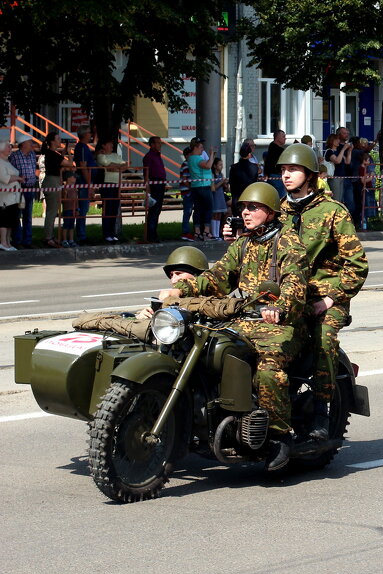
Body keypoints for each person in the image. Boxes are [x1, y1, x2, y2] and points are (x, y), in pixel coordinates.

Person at [170, 182, 308, 470]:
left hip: (281, 324)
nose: (245, 212)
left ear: (270, 212)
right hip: (243, 319)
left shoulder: (288, 242)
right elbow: (218, 276)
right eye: (243, 207)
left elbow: (295, 283)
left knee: (269, 370)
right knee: (203, 347)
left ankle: (279, 436)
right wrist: (182, 288)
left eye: (253, 207)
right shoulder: (244, 243)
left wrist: (280, 308)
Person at [275, 144, 369, 443]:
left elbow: (356, 265)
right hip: (286, 295)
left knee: (323, 339)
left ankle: (320, 408)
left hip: (326, 296)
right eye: (283, 170)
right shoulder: (280, 211)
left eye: (293, 170)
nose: (286, 175)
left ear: (310, 175)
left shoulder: (333, 212)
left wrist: (330, 299)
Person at [73, 247, 209, 341]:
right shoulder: (169, 302)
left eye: (179, 274)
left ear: (197, 275)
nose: (174, 280)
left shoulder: (212, 304)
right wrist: (143, 317)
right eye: (171, 275)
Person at [95, 138, 126, 243]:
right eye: (109, 143)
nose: (112, 146)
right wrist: (118, 166)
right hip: (107, 183)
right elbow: (108, 166)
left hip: (117, 184)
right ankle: (107, 234)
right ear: (103, 145)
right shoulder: (101, 156)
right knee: (107, 209)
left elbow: (125, 165)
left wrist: (115, 166)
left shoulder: (115, 155)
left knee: (114, 209)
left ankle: (112, 233)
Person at [9, 134, 38, 248]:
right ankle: (17, 240)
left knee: (28, 215)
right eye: (30, 142)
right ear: (23, 144)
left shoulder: (32, 155)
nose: (32, 144)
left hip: (30, 188)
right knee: (17, 215)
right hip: (19, 189)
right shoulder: (14, 156)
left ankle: (27, 241)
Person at [39, 133, 67, 247]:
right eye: (58, 138)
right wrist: (69, 153)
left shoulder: (52, 154)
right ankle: (48, 237)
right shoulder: (52, 154)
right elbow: (68, 163)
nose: (60, 140)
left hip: (52, 181)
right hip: (52, 182)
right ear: (52, 141)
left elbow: (59, 160)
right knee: (52, 212)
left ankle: (49, 236)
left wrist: (64, 151)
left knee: (53, 210)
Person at [72, 125, 97, 245]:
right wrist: (89, 185)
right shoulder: (81, 147)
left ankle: (82, 234)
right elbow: (83, 167)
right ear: (84, 134)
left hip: (86, 181)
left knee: (84, 209)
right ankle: (81, 236)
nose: (91, 134)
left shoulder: (85, 147)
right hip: (83, 181)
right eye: (89, 132)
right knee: (82, 209)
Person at [187, 138, 213, 240]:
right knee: (208, 208)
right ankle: (206, 231)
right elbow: (208, 166)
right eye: (201, 147)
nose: (203, 149)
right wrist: (211, 155)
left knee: (197, 209)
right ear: (195, 147)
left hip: (195, 186)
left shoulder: (190, 158)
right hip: (203, 186)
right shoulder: (197, 158)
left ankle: (197, 232)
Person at [143, 136, 166, 243]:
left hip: (160, 184)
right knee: (153, 210)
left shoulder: (158, 156)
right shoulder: (149, 156)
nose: (160, 145)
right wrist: (147, 187)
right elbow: (146, 173)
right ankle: (150, 235)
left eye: (160, 143)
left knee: (158, 210)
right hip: (154, 185)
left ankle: (154, 233)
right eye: (157, 143)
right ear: (152, 144)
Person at [0, 141, 20, 251]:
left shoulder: (7, 161)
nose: (10, 148)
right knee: (4, 220)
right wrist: (18, 178)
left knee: (11, 221)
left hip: (13, 197)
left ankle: (8, 242)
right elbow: (5, 178)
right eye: (8, 146)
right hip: (4, 197)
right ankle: (3, 242)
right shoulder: (0, 163)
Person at [229, 142, 259, 208]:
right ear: (249, 154)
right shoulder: (255, 167)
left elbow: (231, 185)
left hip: (237, 199)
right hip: (251, 197)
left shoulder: (234, 167)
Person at [264, 129, 288, 199]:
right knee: (280, 199)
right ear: (277, 138)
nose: (285, 138)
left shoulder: (273, 147)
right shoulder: (277, 150)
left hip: (274, 176)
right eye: (283, 137)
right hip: (276, 177)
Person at [210, 156, 229, 238]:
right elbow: (214, 188)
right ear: (215, 166)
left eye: (222, 165)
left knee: (219, 215)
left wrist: (225, 184)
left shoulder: (221, 174)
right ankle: (214, 233)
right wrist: (222, 182)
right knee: (215, 214)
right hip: (215, 197)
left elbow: (226, 189)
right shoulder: (212, 175)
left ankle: (217, 234)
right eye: (220, 165)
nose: (221, 166)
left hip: (221, 196)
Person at [179, 143, 194, 241]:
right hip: (187, 192)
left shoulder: (188, 164)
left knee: (189, 211)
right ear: (187, 155)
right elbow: (184, 179)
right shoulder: (185, 164)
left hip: (188, 191)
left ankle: (187, 231)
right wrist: (190, 187)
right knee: (187, 212)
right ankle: (185, 232)